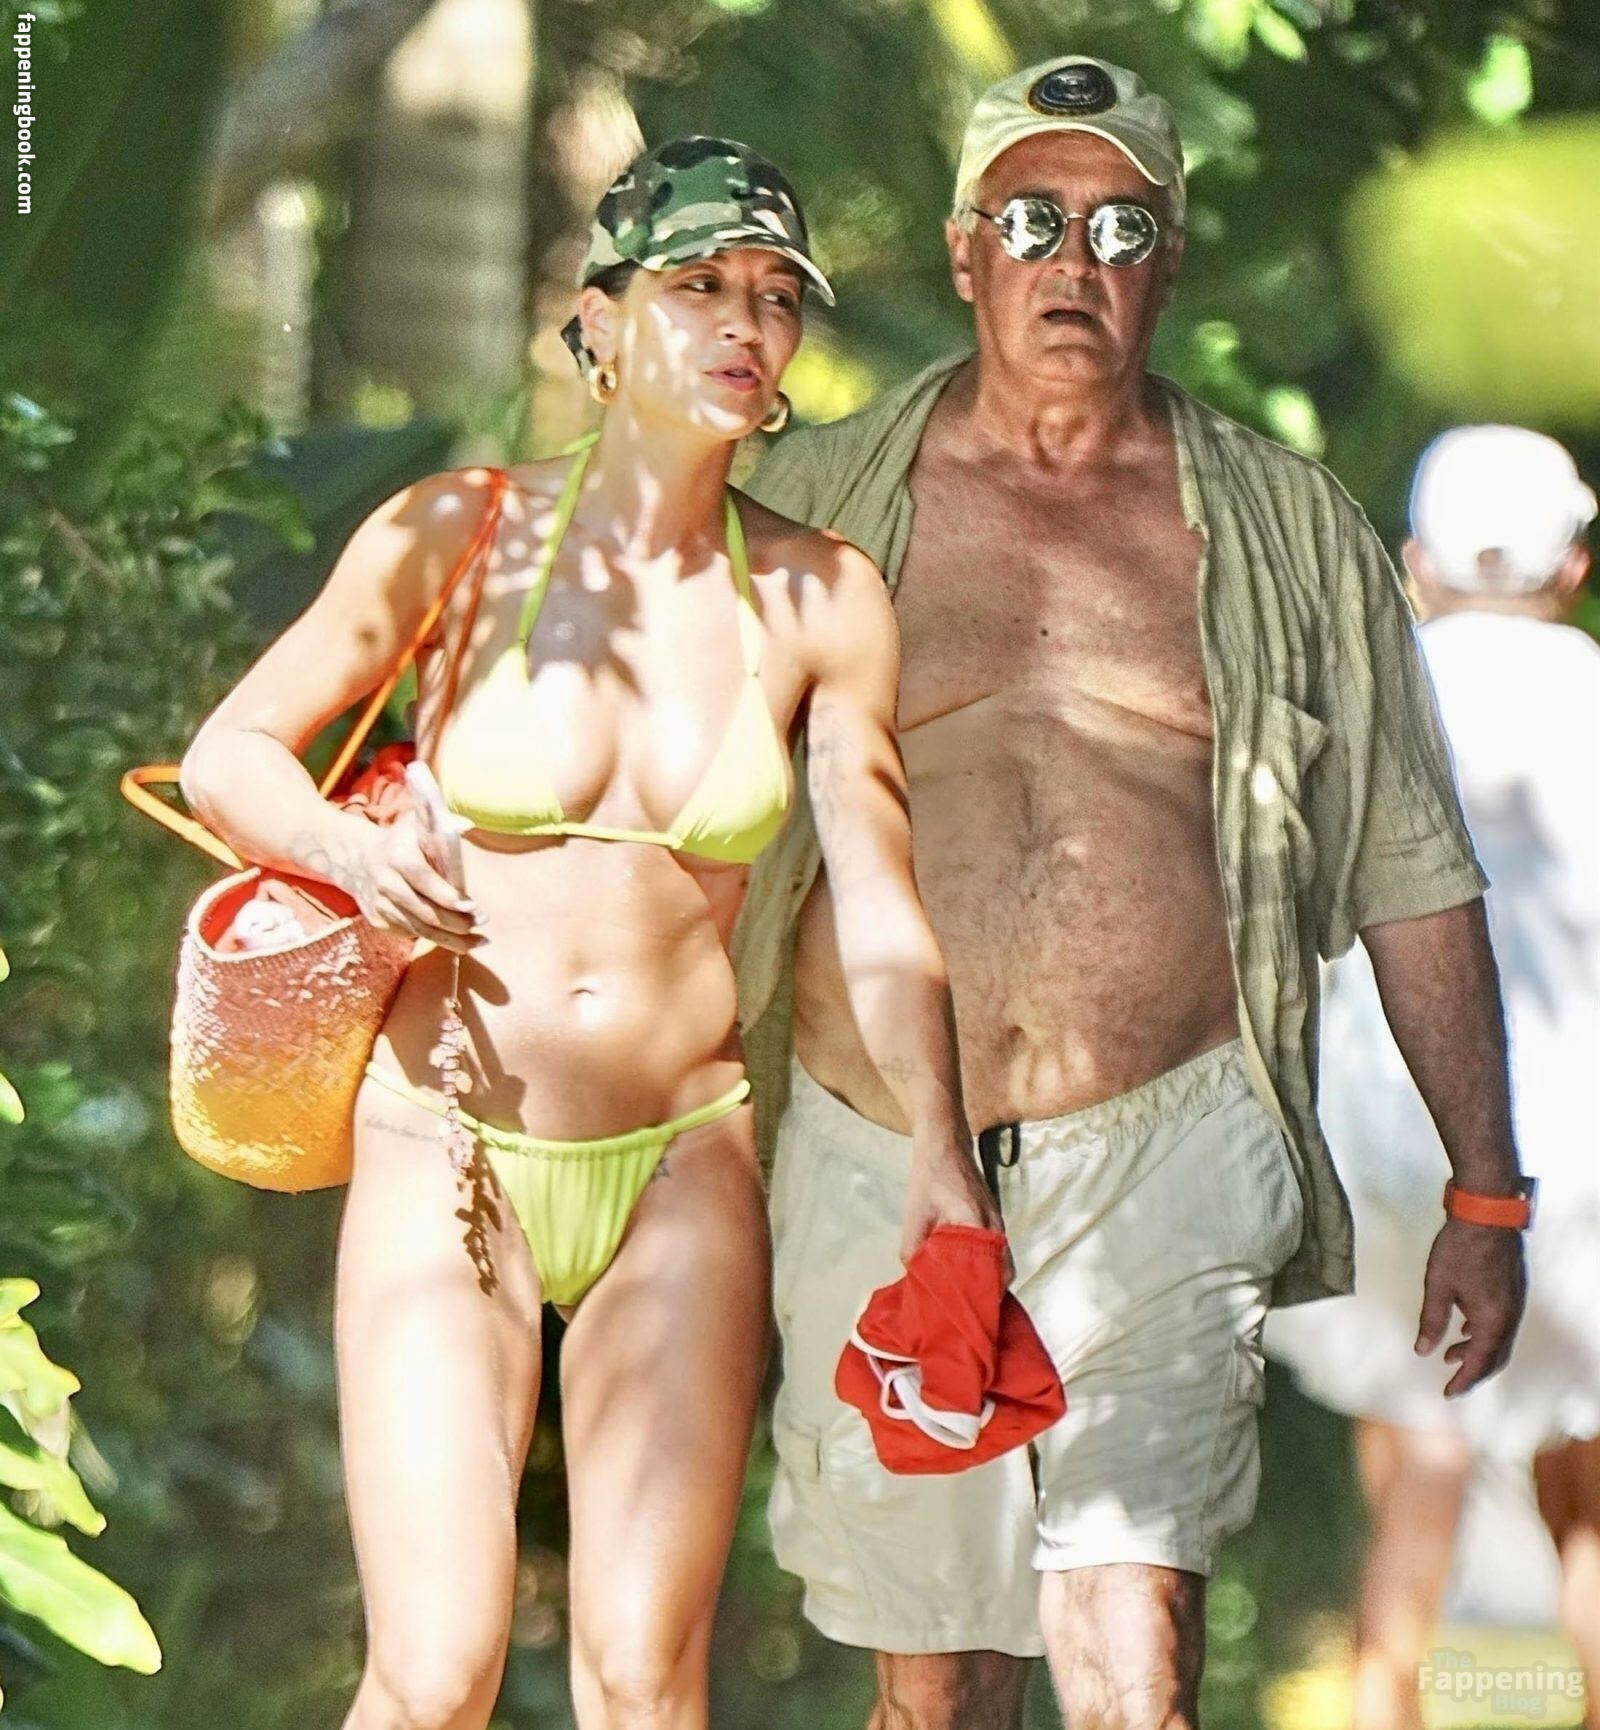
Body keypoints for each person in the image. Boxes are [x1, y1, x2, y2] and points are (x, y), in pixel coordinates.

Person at [731, 57, 1532, 1730]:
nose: (1072, 262)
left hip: (1168, 1139)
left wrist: (1486, 1193)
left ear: (1169, 259)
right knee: (939, 1686)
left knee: (1132, 1659)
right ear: (965, 251)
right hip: (877, 1146)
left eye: (1119, 227)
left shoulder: (1292, 530)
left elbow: (1411, 865)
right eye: (1032, 220)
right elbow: (670, 808)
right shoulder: (808, 506)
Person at [178, 136, 998, 1730]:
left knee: (643, 1674)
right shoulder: (458, 533)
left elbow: (883, 905)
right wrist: (349, 849)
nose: (745, 323)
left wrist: (940, 1154)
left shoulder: (823, 597)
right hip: (446, 1139)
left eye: (774, 295)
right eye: (698, 285)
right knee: (436, 1670)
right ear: (603, 319)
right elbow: (230, 755)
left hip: (681, 1155)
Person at [1266, 426, 1600, 1730]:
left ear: (1412, 563)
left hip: (1391, 1137)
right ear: (1573, 567)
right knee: (1587, 1486)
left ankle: (1382, 1705)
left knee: (1418, 1449)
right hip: (1581, 1150)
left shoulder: (1360, 699)